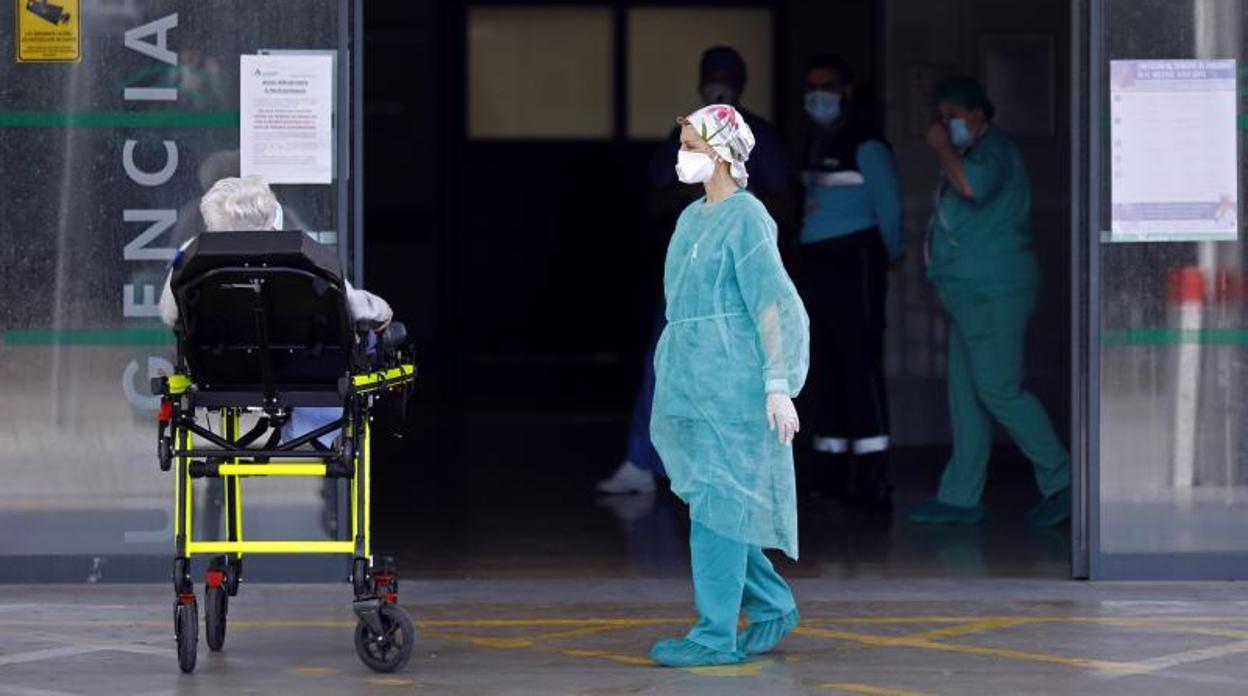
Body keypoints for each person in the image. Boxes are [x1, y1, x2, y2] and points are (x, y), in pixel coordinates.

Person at [648, 104, 809, 667]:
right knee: (719, 507)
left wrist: (778, 382)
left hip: (735, 386)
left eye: (690, 143)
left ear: (719, 152)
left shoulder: (748, 218)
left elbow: (773, 303)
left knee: (716, 511)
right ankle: (770, 604)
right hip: (693, 381)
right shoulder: (692, 218)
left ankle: (715, 634)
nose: (681, 153)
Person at [597, 45, 798, 495]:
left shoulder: (749, 208)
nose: (686, 153)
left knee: (725, 377)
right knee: (665, 364)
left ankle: (721, 471)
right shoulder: (691, 205)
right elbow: (656, 198)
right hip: (689, 286)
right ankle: (644, 460)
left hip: (732, 295)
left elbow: (783, 208)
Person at [908, 77, 1070, 527]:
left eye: (953, 116)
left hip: (994, 293)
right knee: (966, 395)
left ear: (980, 115)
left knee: (999, 388)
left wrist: (942, 148)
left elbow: (971, 188)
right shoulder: (975, 150)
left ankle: (1063, 480)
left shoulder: (994, 151)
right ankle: (961, 496)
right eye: (940, 117)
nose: (945, 125)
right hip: (967, 295)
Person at [158, 175, 393, 446]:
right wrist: (383, 311)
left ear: (212, 220)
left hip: (224, 372)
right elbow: (353, 306)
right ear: (271, 214)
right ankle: (316, 432)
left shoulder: (190, 257)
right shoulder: (305, 254)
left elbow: (170, 314)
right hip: (308, 371)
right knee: (368, 342)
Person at [796, 54, 902, 511]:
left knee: (859, 366)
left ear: (846, 91)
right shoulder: (815, 142)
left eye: (828, 85)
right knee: (826, 367)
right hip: (818, 264)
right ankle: (832, 475)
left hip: (856, 260)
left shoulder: (866, 144)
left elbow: (890, 208)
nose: (818, 94)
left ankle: (871, 479)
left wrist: (892, 254)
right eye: (811, 85)